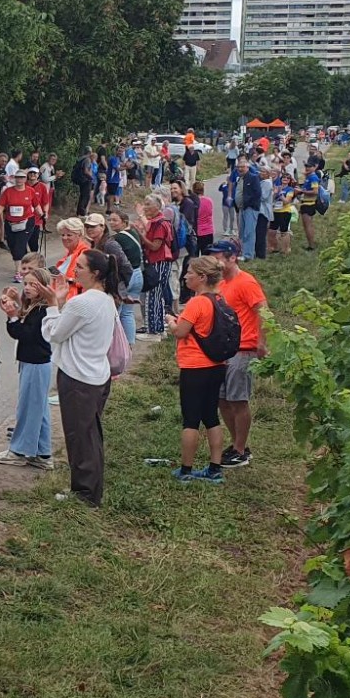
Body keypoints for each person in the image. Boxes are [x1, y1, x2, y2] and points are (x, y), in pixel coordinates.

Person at [25, 249, 119, 507]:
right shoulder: (106, 299)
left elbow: (54, 333)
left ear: (95, 273)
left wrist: (52, 305)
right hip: (97, 373)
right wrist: (60, 302)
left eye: (80, 267)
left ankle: (85, 494)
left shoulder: (83, 303)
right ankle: (90, 488)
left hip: (78, 377)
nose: (74, 270)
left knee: (79, 437)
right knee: (90, 435)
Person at [170, 255, 230, 484]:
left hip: (195, 366)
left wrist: (171, 322)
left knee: (191, 419)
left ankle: (186, 469)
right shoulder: (220, 299)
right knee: (211, 416)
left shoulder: (197, 303)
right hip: (217, 365)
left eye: (190, 273)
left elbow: (181, 332)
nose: (186, 276)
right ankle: (215, 468)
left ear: (202, 277)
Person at [214, 242, 269, 468]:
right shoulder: (221, 283)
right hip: (225, 350)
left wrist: (261, 342)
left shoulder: (246, 282)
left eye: (219, 257)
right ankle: (238, 444)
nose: (215, 262)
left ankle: (240, 449)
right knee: (223, 399)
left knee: (238, 400)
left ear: (232, 258)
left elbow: (263, 311)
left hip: (243, 348)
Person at [0, 277, 53, 467]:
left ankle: (19, 451)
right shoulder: (35, 308)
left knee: (28, 409)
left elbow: (25, 334)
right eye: (26, 284)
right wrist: (16, 305)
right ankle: (43, 453)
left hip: (36, 363)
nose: (27, 288)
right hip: (34, 362)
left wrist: (13, 316)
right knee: (39, 408)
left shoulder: (42, 311)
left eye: (33, 284)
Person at [108, 208, 145, 346]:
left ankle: (116, 346)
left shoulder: (117, 239)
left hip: (126, 277)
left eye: (115, 220)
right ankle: (129, 344)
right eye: (110, 220)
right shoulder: (133, 233)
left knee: (116, 314)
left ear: (124, 222)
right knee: (128, 313)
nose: (111, 223)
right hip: (138, 274)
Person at [141, 196, 176, 335]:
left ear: (157, 207)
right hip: (159, 261)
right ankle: (159, 327)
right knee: (157, 296)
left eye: (148, 204)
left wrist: (141, 236)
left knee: (153, 295)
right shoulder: (156, 222)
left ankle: (153, 330)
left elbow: (155, 246)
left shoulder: (160, 224)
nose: (145, 207)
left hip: (159, 261)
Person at [0, 170, 39, 262]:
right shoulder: (8, 191)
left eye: (22, 177)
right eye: (17, 177)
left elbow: (36, 205)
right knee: (13, 246)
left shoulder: (30, 191)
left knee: (19, 247)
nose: (19, 179)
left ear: (25, 179)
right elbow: (1, 205)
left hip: (27, 221)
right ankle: (26, 263)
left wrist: (42, 214)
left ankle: (19, 269)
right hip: (10, 223)